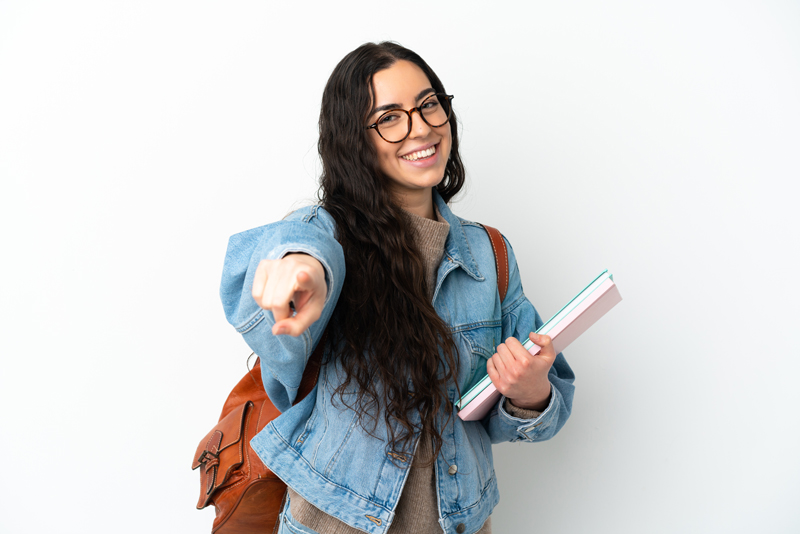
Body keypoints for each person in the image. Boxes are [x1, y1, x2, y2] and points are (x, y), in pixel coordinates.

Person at [220, 42, 575, 534]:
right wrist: (300, 266)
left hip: (461, 522)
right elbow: (296, 245)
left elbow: (520, 414)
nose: (421, 127)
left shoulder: (489, 253)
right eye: (390, 117)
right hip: (334, 523)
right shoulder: (327, 235)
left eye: (429, 104)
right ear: (354, 140)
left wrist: (530, 393)